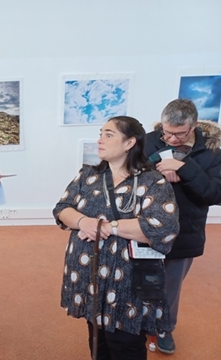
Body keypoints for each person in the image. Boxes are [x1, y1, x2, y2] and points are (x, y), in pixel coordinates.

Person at [53, 116, 179, 360]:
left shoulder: (152, 181)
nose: (100, 139)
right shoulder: (88, 175)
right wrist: (82, 222)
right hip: (89, 273)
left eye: (109, 135)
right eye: (101, 133)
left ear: (130, 142)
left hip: (129, 279)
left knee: (126, 343)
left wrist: (107, 226)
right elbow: (62, 208)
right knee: (97, 341)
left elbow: (161, 227)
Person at [144, 99, 221, 354]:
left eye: (179, 133)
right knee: (140, 279)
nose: (172, 138)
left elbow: (215, 193)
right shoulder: (149, 140)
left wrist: (184, 168)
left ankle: (165, 328)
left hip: (185, 230)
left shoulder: (214, 149)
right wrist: (159, 169)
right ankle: (139, 323)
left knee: (170, 286)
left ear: (195, 126)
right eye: (167, 132)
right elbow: (131, 176)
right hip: (146, 226)